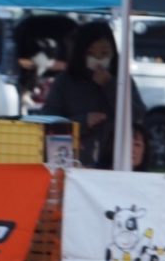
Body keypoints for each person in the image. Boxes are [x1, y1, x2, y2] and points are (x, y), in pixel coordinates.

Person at [41, 21, 146, 169]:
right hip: (74, 164)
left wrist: (111, 85)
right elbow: (48, 123)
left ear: (113, 53)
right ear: (81, 54)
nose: (98, 59)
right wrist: (83, 122)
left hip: (114, 164)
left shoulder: (122, 80)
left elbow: (138, 116)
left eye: (104, 53)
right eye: (91, 53)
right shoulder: (65, 82)